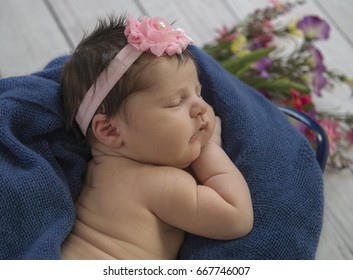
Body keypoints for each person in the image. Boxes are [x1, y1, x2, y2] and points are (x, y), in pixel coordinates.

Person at [60, 15, 253, 260]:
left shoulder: (96, 174)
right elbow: (236, 216)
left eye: (198, 93)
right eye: (176, 102)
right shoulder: (158, 183)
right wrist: (211, 150)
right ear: (110, 131)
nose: (201, 108)